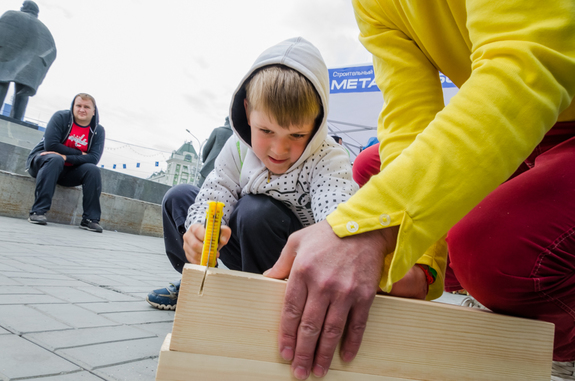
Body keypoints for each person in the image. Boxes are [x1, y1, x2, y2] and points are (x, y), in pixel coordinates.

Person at [262, 1, 575, 380]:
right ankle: (511, 289)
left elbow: (526, 70)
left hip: (546, 104)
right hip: (528, 131)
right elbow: (409, 120)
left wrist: (369, 227)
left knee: (483, 248)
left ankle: (564, 345)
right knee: (371, 169)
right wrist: (421, 263)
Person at [146, 37, 360, 310]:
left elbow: (336, 212)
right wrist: (199, 230)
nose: (279, 149)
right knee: (177, 197)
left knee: (255, 211)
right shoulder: (236, 145)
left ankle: (264, 304)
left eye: (297, 135)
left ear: (316, 124)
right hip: (242, 245)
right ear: (248, 112)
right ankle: (195, 282)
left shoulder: (328, 156)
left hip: (293, 263)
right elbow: (217, 190)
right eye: (266, 131)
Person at [26, 93, 106, 233]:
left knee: (92, 169)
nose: (82, 109)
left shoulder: (98, 131)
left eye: (86, 107)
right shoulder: (61, 118)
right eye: (78, 105)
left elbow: (93, 158)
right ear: (72, 107)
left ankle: (90, 219)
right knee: (55, 158)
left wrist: (66, 157)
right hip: (42, 164)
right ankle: (37, 212)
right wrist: (79, 154)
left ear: (94, 111)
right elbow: (51, 146)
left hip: (68, 172)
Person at [0, 1, 57, 120]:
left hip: (8, 58)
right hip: (31, 66)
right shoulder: (45, 30)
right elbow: (52, 51)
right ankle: (16, 121)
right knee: (22, 93)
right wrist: (39, 67)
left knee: (2, 83)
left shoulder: (11, 15)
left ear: (24, 7)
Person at [197, 116, 233, 187]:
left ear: (226, 121)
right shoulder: (235, 136)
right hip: (224, 170)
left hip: (209, 166)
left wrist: (204, 160)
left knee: (199, 189)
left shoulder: (217, 130)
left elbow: (206, 148)